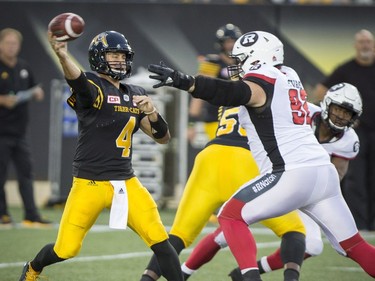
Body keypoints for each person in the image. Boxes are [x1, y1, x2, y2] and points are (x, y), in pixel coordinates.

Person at [147, 30, 375, 281]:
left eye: (242, 58)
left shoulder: (264, 77)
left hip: (292, 172)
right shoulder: (290, 75)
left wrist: (186, 81)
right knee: (353, 245)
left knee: (229, 216)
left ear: (258, 57)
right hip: (323, 173)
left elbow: (233, 93)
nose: (237, 65)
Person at [18, 30, 183, 281]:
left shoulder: (135, 92)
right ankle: (33, 267)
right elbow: (78, 81)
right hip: (90, 182)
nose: (119, 60)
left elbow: (162, 138)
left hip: (126, 183)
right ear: (98, 58)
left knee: (161, 242)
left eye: (122, 55)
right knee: (66, 249)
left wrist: (153, 113)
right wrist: (62, 54)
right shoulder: (94, 86)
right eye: (113, 55)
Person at [140, 104, 306, 281]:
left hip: (209, 158)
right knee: (293, 230)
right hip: (246, 162)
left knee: (178, 235)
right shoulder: (272, 91)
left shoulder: (229, 91)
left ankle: (147, 279)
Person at [222, 82, 363, 280]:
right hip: (278, 177)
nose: (341, 115)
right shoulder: (303, 113)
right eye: (338, 109)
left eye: (347, 113)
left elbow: (337, 174)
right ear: (327, 104)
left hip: (307, 191)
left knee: (313, 245)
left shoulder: (349, 141)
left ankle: (251, 271)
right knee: (227, 228)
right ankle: (187, 269)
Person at [310, 29, 375, 231]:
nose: (365, 45)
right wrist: (338, 119)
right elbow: (321, 92)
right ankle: (359, 225)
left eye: (368, 42)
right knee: (355, 180)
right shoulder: (345, 69)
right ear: (355, 46)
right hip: (358, 131)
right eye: (361, 42)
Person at [0, 28, 51, 228]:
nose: (12, 47)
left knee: (26, 174)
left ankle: (31, 215)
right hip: (1, 132)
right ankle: (3, 214)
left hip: (20, 133)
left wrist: (36, 93)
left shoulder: (23, 66)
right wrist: (3, 100)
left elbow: (35, 87)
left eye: (15, 44)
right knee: (1, 176)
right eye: (8, 43)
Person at [188, 23, 242, 146]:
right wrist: (191, 123)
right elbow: (198, 94)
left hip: (241, 120)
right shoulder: (212, 62)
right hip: (216, 120)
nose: (231, 45)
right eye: (228, 42)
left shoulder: (244, 63)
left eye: (233, 41)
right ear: (221, 43)